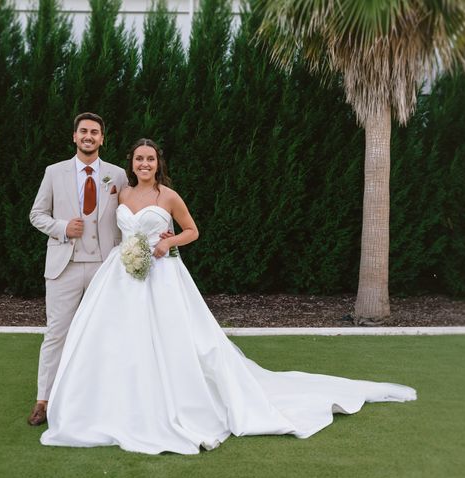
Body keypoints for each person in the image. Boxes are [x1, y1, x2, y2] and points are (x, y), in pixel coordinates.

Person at [40, 138, 416, 454]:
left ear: (158, 164)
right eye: (139, 158)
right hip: (121, 277)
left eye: (150, 159)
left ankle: (177, 405)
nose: (144, 164)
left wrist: (167, 241)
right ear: (131, 163)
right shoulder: (119, 191)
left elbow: (193, 231)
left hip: (163, 276)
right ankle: (115, 407)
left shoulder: (168, 195)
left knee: (178, 342)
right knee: (115, 343)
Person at [27, 112, 128, 426]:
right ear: (74, 136)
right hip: (64, 267)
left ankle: (103, 400)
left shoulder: (118, 174)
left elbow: (130, 215)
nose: (89, 136)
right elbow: (36, 214)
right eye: (83, 131)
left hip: (104, 267)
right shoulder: (54, 172)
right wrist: (60, 227)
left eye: (94, 132)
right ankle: (43, 401)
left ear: (102, 138)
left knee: (105, 334)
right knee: (57, 334)